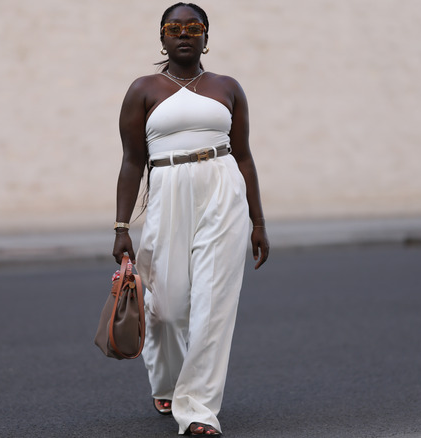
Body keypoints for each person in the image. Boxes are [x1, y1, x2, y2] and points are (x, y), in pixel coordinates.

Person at [112, 2, 269, 435]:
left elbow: (245, 156)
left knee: (212, 309)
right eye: (174, 27)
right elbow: (130, 162)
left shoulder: (227, 87)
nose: (184, 34)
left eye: (194, 27)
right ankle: (166, 380)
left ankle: (198, 410)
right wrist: (122, 227)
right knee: (165, 309)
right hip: (168, 192)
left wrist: (258, 221)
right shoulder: (143, 89)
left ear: (206, 36)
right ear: (161, 36)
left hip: (223, 190)